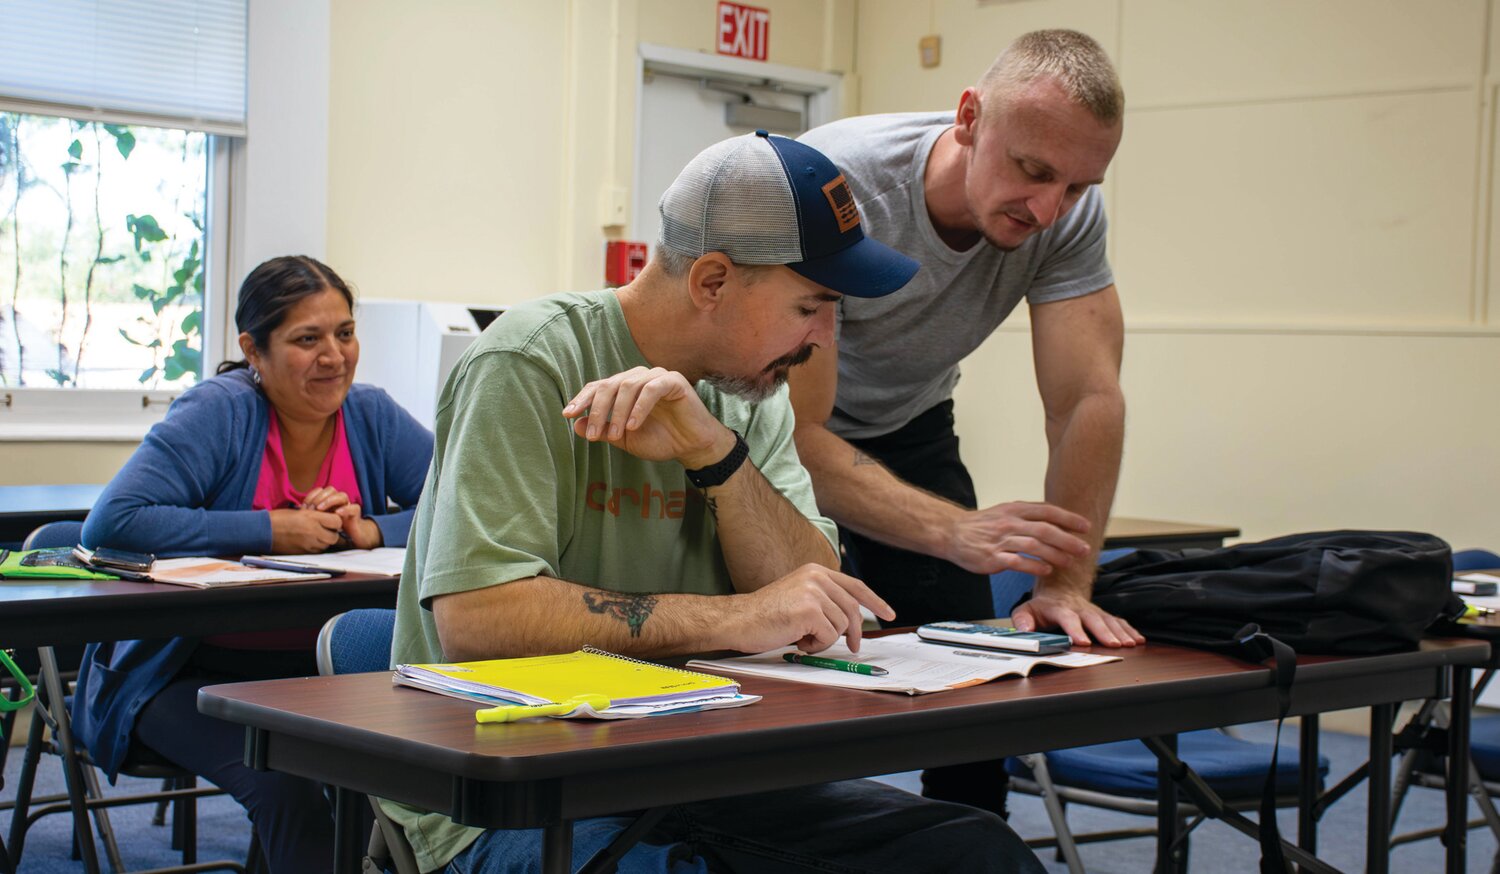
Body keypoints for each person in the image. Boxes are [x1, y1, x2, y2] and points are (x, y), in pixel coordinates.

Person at [385, 131, 1044, 873]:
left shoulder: (747, 389)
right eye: (811, 305)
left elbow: (818, 598)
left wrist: (714, 455)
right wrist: (739, 618)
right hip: (518, 788)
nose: (825, 338)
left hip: (699, 770)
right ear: (712, 280)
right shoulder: (531, 360)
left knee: (974, 853)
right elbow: (479, 623)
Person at [790, 29, 1143, 816]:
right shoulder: (843, 183)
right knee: (774, 684)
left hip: (908, 423)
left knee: (975, 698)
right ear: (969, 118)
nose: (1049, 209)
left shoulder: (1066, 220)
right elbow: (800, 439)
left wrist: (1067, 580)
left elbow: (1087, 397)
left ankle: (971, 846)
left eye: (1079, 186)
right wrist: (955, 531)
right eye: (1034, 171)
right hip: (767, 430)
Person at [74, 255, 433, 873]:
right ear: (253, 350)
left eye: (344, 333)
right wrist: (271, 529)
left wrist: (369, 528)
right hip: (187, 677)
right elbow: (114, 522)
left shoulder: (369, 414)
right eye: (307, 339)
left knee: (390, 773)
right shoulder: (219, 411)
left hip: (317, 676)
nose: (334, 356)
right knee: (289, 786)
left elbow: (465, 506)